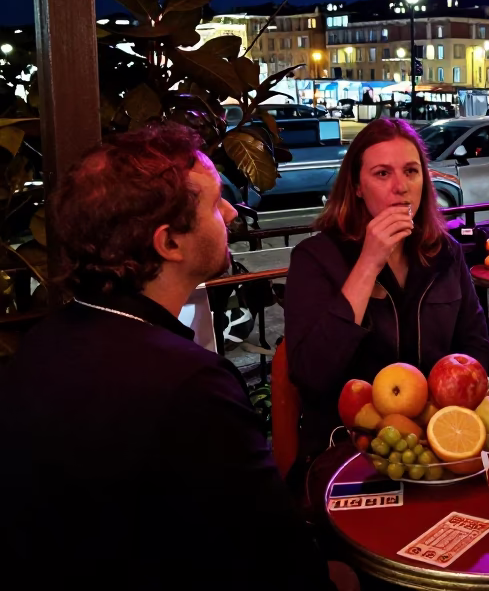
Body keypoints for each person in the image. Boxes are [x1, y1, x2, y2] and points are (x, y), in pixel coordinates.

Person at [0, 125, 340, 590]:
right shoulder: (189, 385)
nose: (230, 211)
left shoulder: (43, 341)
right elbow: (277, 556)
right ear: (169, 244)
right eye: (215, 202)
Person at [285, 119, 489, 465]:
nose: (400, 187)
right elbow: (310, 373)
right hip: (350, 445)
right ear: (357, 186)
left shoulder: (446, 253)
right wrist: (368, 263)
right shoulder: (315, 258)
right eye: (382, 174)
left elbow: (475, 348)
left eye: (411, 171)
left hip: (437, 439)